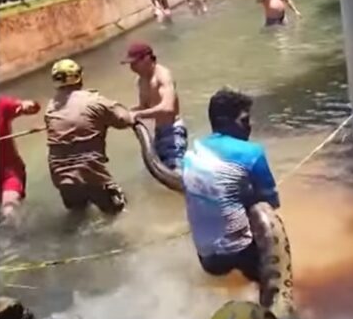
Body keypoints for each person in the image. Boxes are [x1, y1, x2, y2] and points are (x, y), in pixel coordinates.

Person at [182, 87, 280, 283]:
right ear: (227, 122)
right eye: (244, 120)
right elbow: (272, 204)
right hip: (240, 254)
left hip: (207, 260)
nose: (250, 126)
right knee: (264, 215)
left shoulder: (193, 151)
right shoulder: (252, 152)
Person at [44, 58, 134, 215]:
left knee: (78, 216)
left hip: (61, 177)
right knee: (119, 212)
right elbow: (124, 120)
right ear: (78, 77)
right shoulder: (93, 100)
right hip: (90, 173)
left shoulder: (51, 108)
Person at [122, 42, 188, 171]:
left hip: (173, 130)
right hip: (159, 132)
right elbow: (144, 107)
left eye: (134, 63)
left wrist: (138, 114)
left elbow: (168, 108)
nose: (132, 68)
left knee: (175, 171)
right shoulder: (141, 80)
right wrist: (126, 112)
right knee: (159, 169)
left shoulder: (163, 76)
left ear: (146, 59)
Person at [0, 95, 40, 221]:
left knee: (9, 210)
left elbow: (32, 107)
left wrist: (28, 105)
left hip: (9, 173)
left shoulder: (1, 105)